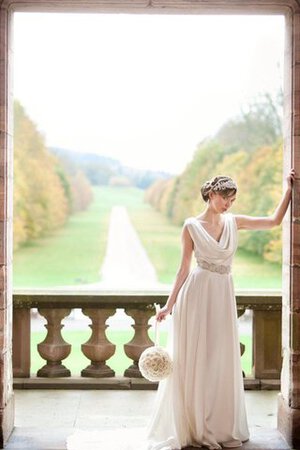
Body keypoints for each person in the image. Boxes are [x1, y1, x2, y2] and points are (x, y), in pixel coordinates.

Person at [144, 168, 295, 450]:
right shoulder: (190, 226)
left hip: (222, 295)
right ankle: (195, 425)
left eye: (233, 200)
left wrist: (288, 190)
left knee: (220, 357)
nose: (229, 204)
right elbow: (182, 270)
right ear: (212, 195)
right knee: (197, 358)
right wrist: (168, 305)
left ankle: (219, 425)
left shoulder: (234, 222)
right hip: (196, 295)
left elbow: (273, 221)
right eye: (226, 198)